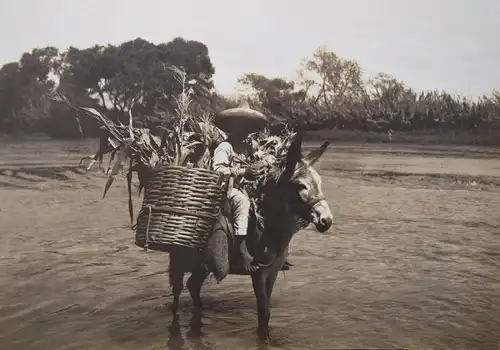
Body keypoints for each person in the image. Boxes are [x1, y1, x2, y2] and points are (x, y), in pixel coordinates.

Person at [212, 128, 294, 272]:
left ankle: (274, 252)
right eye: (241, 127)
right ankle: (242, 250)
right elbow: (217, 169)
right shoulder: (225, 147)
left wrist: (270, 161)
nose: (245, 133)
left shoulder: (247, 146)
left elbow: (259, 158)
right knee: (243, 202)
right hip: (228, 189)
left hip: (246, 187)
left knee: (273, 201)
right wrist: (242, 172)